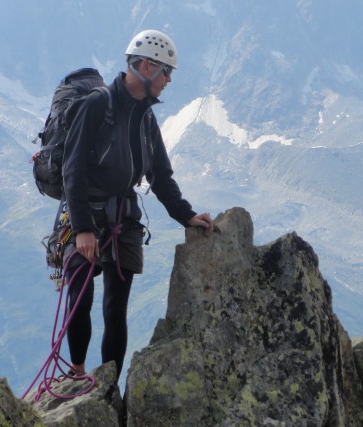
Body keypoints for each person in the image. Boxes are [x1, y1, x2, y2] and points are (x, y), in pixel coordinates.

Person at [60, 29, 213, 379]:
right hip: (85, 216)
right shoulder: (96, 106)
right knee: (80, 299)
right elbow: (73, 169)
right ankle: (77, 374)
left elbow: (160, 174)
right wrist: (82, 229)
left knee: (116, 309)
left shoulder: (145, 117)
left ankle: (108, 383)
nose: (169, 81)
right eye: (166, 72)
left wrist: (186, 215)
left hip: (122, 220)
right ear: (146, 66)